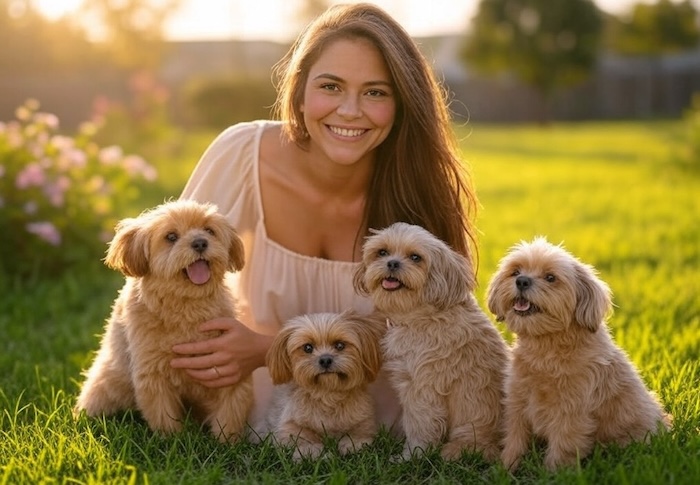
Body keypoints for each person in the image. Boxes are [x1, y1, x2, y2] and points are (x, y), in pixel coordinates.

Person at [170, 2, 479, 433]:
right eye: (330, 86)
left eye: (375, 92)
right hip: (261, 406)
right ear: (298, 91)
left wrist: (267, 349)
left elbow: (452, 333)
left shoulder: (420, 185)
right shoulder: (242, 153)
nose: (350, 110)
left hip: (386, 417)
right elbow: (159, 278)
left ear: (402, 103)